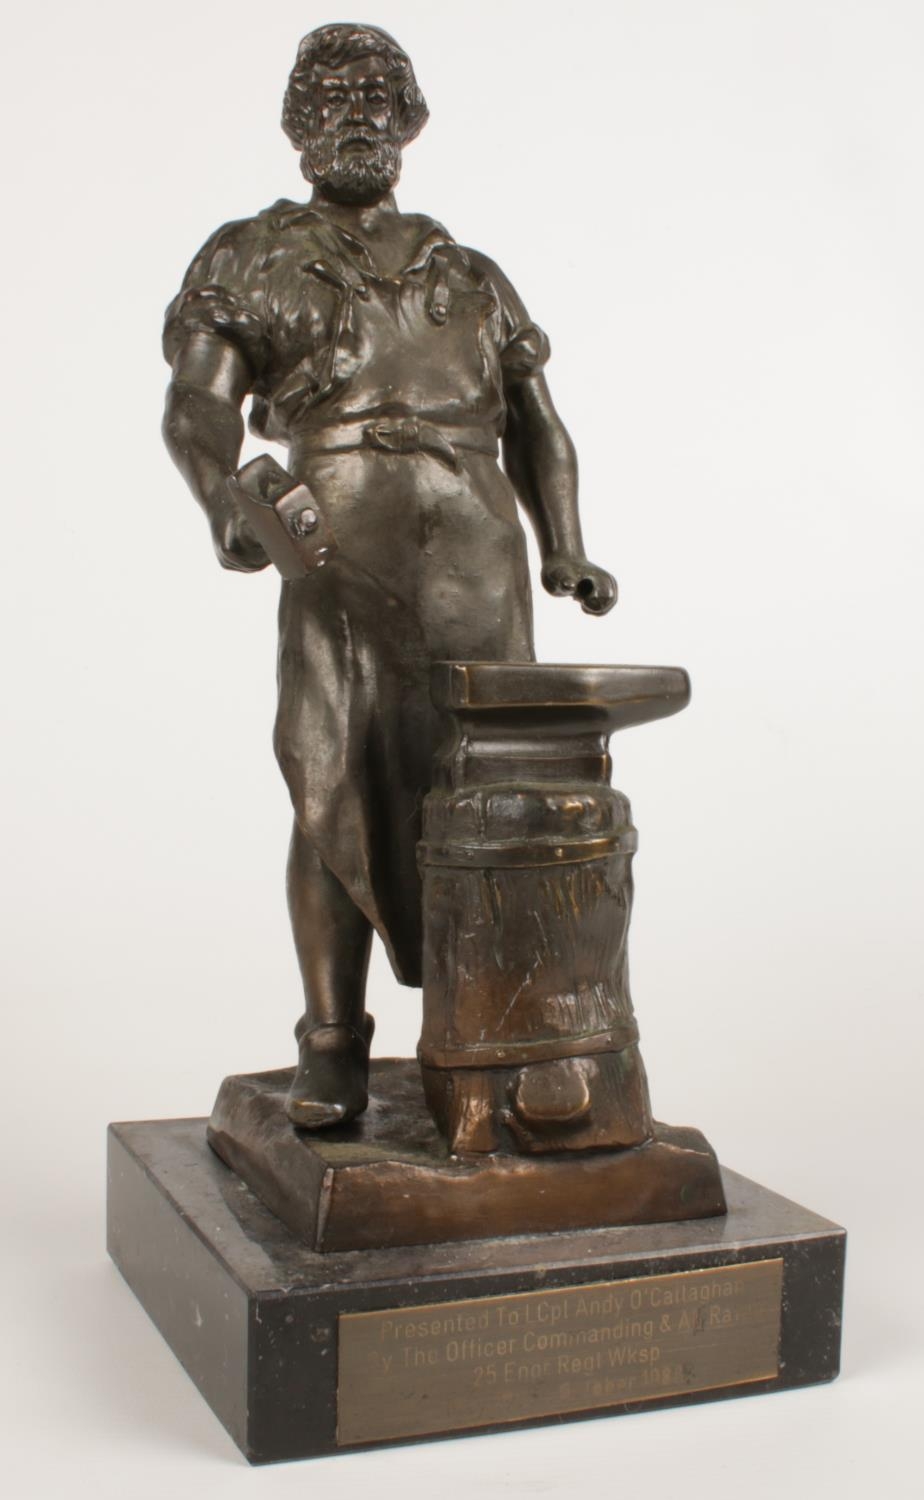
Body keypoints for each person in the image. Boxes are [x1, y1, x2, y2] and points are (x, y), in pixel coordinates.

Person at [162, 23, 616, 1127]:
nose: (356, 114)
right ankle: (332, 1041)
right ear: (297, 124)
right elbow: (198, 405)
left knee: (486, 794)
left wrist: (565, 543)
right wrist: (225, 496)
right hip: (337, 554)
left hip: (480, 555)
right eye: (330, 98)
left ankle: (488, 1038)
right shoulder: (250, 255)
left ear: (411, 119)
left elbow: (537, 422)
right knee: (335, 792)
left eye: (376, 95)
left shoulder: (470, 274)